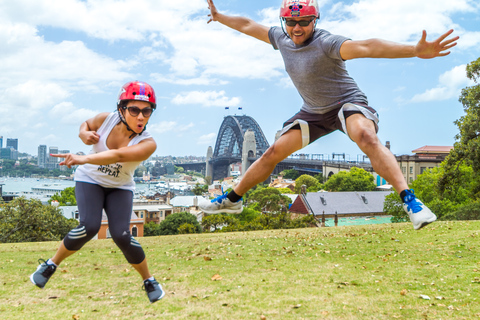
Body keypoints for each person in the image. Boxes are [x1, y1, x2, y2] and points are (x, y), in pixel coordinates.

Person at [199, 0, 459, 230]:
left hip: (346, 103)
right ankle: (231, 200)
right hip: (313, 111)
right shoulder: (281, 39)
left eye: (303, 22)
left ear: (315, 21)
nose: (296, 28)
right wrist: (220, 17)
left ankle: (410, 202)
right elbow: (247, 24)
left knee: (366, 137)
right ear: (284, 22)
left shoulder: (327, 43)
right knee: (272, 153)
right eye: (291, 22)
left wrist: (414, 50)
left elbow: (368, 46)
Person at [30, 81, 165, 303]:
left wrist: (82, 157)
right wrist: (84, 134)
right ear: (121, 109)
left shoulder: (148, 143)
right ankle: (50, 265)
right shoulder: (106, 119)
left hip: (120, 186)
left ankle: (149, 280)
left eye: (146, 111)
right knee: (89, 226)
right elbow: (85, 124)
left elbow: (118, 156)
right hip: (90, 179)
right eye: (134, 110)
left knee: (122, 235)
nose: (141, 117)